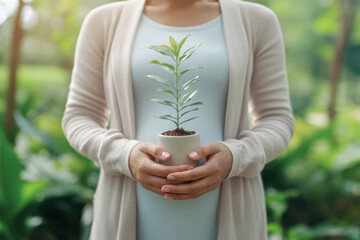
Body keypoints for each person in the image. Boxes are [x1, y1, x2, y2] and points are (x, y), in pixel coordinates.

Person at [61, 0, 295, 239]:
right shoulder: (104, 21)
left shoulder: (257, 20)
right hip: (129, 213)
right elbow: (79, 117)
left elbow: (277, 119)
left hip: (230, 214)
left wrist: (235, 158)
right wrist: (125, 156)